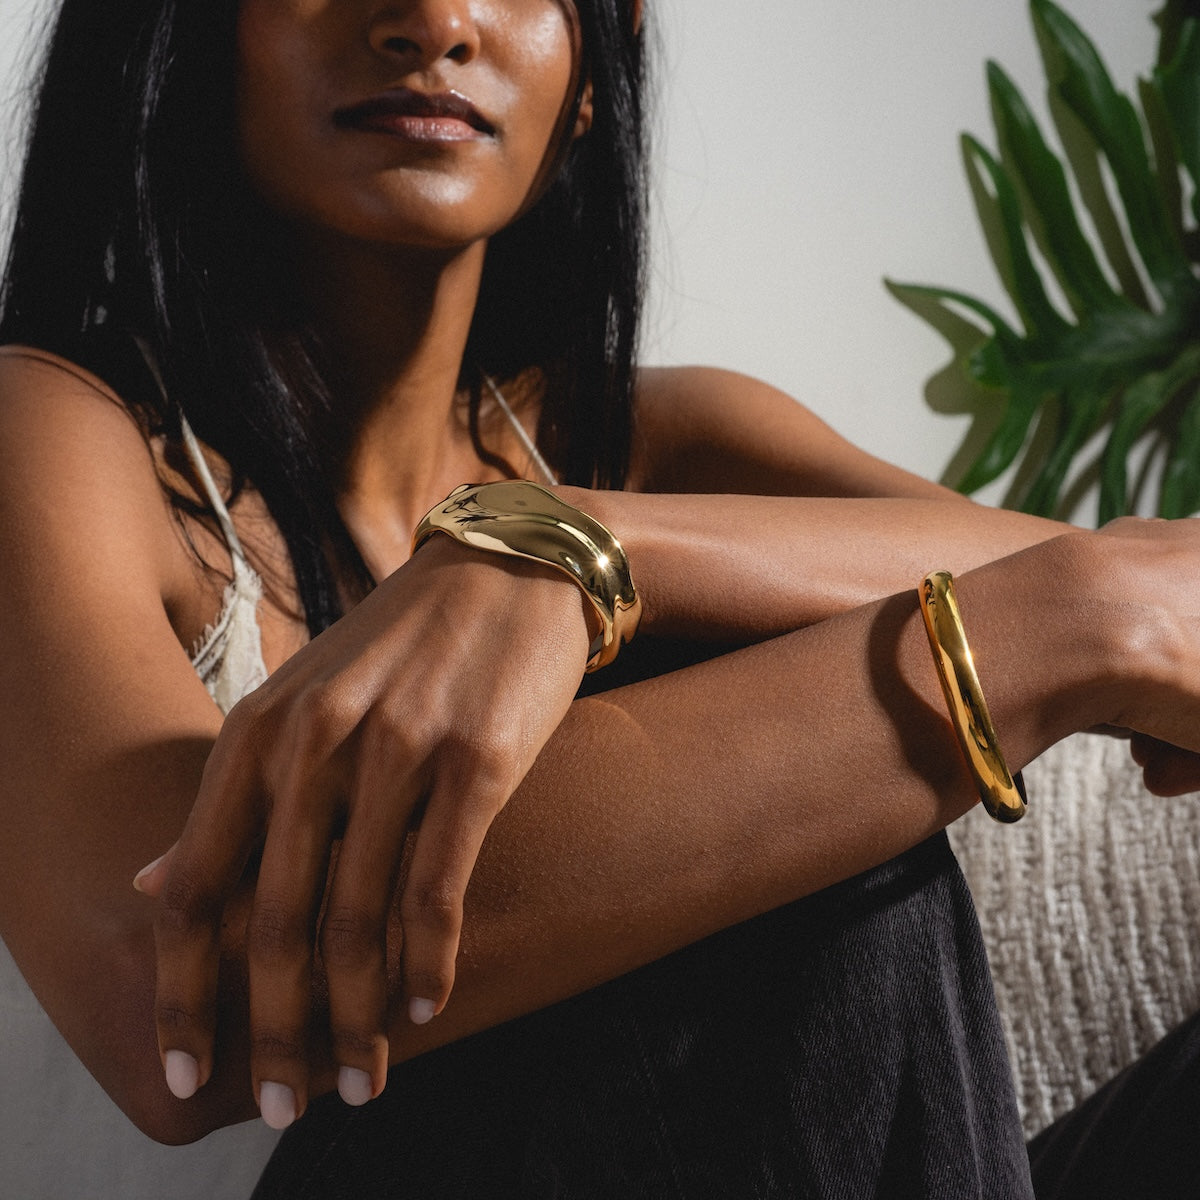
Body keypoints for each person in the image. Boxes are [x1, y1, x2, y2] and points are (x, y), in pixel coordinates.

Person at [4, 0, 1200, 1196]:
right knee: (799, 831)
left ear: (593, 69)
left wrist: (585, 545)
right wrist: (1079, 619)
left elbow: (1165, 610)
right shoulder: (57, 432)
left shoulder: (660, 441)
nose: (433, 19)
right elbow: (164, 1000)